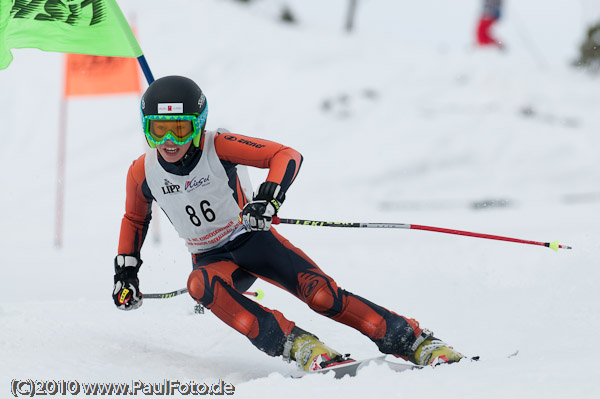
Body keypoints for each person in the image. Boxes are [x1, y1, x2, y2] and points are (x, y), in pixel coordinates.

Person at [113, 75, 464, 371]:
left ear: (199, 125)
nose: (169, 142)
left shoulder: (217, 146)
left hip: (252, 240)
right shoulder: (141, 171)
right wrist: (126, 275)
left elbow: (285, 155)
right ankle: (298, 345)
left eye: (179, 129)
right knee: (199, 285)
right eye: (158, 131)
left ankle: (414, 341)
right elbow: (134, 218)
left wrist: (268, 198)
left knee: (323, 296)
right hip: (211, 259)